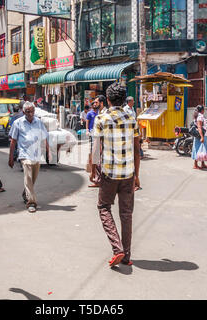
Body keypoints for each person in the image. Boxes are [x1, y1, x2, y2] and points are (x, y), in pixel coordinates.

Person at [91, 82, 140, 267]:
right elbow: (137, 150)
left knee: (104, 208)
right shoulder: (131, 118)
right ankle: (126, 256)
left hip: (109, 174)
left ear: (108, 99)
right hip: (128, 174)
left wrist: (93, 171)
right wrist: (137, 175)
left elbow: (96, 150)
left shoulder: (101, 119)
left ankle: (117, 248)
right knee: (126, 214)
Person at [8, 102, 49, 213]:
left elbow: (44, 137)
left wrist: (48, 152)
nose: (30, 114)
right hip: (24, 154)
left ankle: (25, 193)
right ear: (23, 112)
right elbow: (13, 141)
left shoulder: (39, 122)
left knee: (33, 178)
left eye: (32, 111)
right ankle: (31, 202)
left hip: (36, 154)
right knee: (28, 177)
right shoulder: (18, 123)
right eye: (27, 112)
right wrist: (10, 157)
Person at [191, 105, 207, 169]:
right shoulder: (200, 116)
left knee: (202, 150)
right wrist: (202, 137)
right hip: (201, 135)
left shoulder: (197, 116)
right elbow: (199, 127)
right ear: (202, 110)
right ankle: (195, 164)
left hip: (199, 135)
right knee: (199, 149)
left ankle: (202, 163)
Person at [86, 100, 100, 187]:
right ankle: (92, 169)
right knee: (92, 150)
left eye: (96, 103)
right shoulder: (89, 113)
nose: (95, 104)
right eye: (94, 103)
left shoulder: (99, 113)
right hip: (92, 133)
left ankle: (95, 171)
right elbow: (87, 122)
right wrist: (87, 130)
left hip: (98, 133)